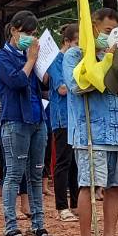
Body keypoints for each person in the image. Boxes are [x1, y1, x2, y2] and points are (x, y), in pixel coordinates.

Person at [64, 7, 118, 236]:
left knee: (116, 187)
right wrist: (102, 65)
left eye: (116, 31)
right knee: (90, 185)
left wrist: (117, 69)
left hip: (117, 134)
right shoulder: (75, 55)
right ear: (93, 26)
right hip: (90, 133)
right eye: (107, 31)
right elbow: (76, 86)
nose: (111, 36)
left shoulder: (117, 55)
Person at [0, 10, 53, 236]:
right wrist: (30, 61)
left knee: (36, 174)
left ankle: (38, 224)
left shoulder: (31, 55)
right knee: (14, 174)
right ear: (14, 30)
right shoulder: (2, 57)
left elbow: (45, 83)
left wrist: (41, 62)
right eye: (26, 33)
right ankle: (11, 226)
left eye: (34, 34)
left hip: (37, 120)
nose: (30, 37)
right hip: (14, 120)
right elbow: (17, 82)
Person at [47, 23, 77, 222]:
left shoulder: (78, 59)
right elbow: (62, 89)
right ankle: (61, 207)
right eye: (76, 43)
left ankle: (76, 204)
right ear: (66, 41)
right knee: (64, 162)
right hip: (63, 118)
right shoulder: (56, 60)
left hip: (78, 118)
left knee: (77, 163)